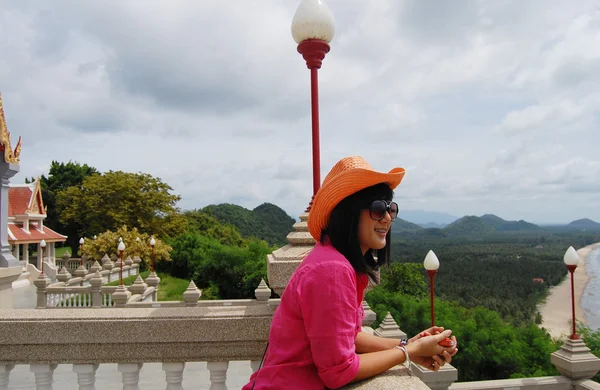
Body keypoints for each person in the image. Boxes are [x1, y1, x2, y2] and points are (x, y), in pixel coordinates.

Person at [243, 156, 458, 389]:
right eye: (378, 208)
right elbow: (338, 371)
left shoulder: (336, 262)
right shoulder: (331, 270)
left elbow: (349, 337)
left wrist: (411, 343)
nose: (387, 218)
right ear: (349, 213)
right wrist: (408, 352)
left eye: (390, 208)